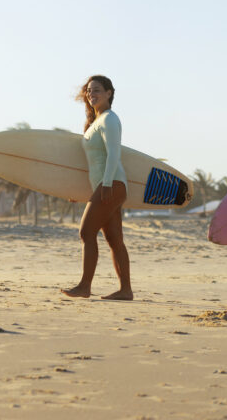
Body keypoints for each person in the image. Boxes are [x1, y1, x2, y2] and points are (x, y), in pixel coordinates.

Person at [62, 75, 133, 300]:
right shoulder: (97, 122)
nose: (92, 94)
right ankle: (125, 290)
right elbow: (93, 165)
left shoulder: (109, 119)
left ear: (109, 93)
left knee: (86, 232)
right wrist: (83, 192)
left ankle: (85, 286)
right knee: (114, 239)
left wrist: (107, 184)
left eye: (97, 90)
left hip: (111, 184)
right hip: (107, 186)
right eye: (89, 90)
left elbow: (114, 154)